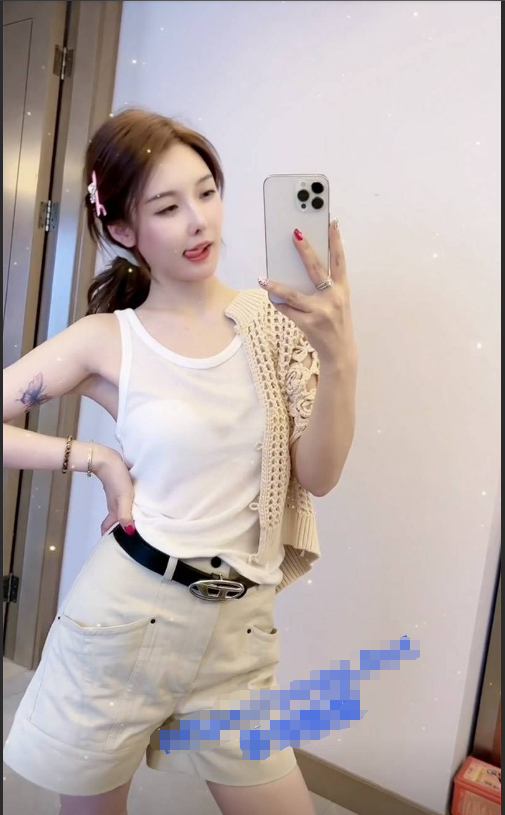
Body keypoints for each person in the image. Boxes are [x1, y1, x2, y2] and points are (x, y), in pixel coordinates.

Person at [4, 107, 357, 815]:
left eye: (206, 192)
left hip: (240, 631)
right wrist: (94, 457)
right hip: (125, 619)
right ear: (122, 230)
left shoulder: (275, 322)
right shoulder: (108, 338)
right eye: (167, 207)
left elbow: (318, 476)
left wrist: (339, 353)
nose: (199, 221)